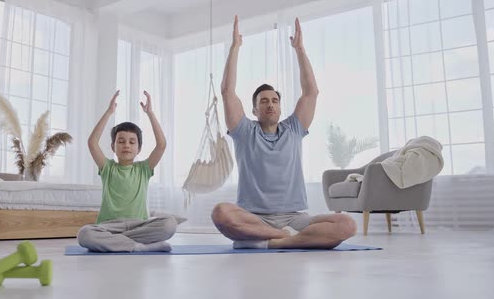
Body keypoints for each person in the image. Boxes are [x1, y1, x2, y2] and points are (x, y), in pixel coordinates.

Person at [211, 16, 357, 249]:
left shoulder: (294, 129)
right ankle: (284, 238)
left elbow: (311, 92)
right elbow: (228, 91)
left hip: (294, 218)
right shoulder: (244, 131)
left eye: (275, 101)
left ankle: (271, 241)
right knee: (221, 213)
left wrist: (300, 50)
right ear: (254, 109)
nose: (270, 104)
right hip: (253, 216)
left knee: (347, 224)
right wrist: (235, 48)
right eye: (264, 101)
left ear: (280, 107)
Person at [77, 90, 177, 252]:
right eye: (121, 141)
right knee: (84, 234)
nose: (126, 145)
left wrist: (150, 113)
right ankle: (139, 247)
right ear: (113, 147)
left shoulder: (143, 169)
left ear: (139, 149)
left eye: (132, 142)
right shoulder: (108, 168)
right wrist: (109, 112)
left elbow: (161, 145)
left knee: (169, 224)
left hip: (139, 225)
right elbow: (92, 143)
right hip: (109, 227)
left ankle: (119, 243)